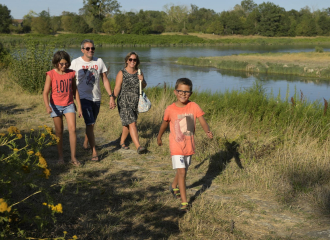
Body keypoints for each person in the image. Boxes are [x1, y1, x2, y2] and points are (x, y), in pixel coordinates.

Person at [157, 78, 213, 211]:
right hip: (176, 146)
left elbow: (202, 120)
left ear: (191, 93)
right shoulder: (170, 109)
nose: (183, 94)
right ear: (175, 92)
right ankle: (184, 202)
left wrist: (207, 131)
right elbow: (164, 124)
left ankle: (174, 186)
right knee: (182, 172)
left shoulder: (194, 106)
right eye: (180, 91)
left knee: (184, 169)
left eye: (186, 92)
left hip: (189, 145)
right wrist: (159, 136)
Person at [70, 39, 116, 161]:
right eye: (88, 48)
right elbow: (70, 81)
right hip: (83, 97)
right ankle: (94, 151)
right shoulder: (75, 63)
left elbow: (105, 79)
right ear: (82, 50)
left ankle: (86, 142)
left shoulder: (99, 61)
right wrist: (71, 99)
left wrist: (111, 96)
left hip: (96, 98)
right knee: (90, 123)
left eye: (92, 48)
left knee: (91, 123)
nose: (91, 50)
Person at [42, 50, 82, 166]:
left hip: (69, 104)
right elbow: (45, 93)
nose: (64, 66)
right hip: (56, 106)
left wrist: (79, 106)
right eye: (61, 64)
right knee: (59, 132)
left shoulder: (71, 73)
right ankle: (60, 158)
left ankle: (73, 158)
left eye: (66, 63)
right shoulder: (51, 74)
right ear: (56, 63)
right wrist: (47, 106)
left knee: (73, 130)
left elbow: (75, 91)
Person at [113, 52, 147, 154]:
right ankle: (138, 146)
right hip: (124, 101)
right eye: (130, 59)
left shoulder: (139, 72)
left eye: (134, 60)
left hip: (135, 102)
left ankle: (122, 142)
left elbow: (143, 86)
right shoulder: (122, 73)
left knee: (127, 124)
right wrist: (112, 99)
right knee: (132, 123)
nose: (132, 61)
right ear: (127, 60)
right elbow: (117, 87)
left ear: (137, 61)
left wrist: (142, 80)